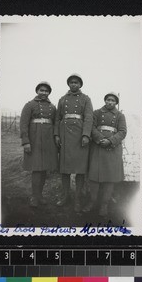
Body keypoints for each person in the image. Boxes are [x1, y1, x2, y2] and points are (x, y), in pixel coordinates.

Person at [54, 74, 93, 212]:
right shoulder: (62, 99)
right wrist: (57, 135)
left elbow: (89, 118)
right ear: (68, 84)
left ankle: (77, 199)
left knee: (80, 170)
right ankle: (65, 196)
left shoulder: (86, 99)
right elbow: (57, 119)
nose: (73, 84)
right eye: (71, 82)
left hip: (79, 137)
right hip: (64, 136)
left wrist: (86, 135)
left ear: (80, 84)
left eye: (76, 82)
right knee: (64, 169)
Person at [86, 92, 127, 217]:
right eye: (108, 100)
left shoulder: (120, 115)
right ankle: (92, 202)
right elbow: (91, 127)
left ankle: (104, 205)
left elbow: (122, 131)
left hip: (112, 149)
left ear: (116, 103)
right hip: (98, 147)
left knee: (109, 179)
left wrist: (110, 141)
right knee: (94, 177)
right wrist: (100, 139)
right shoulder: (97, 113)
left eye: (113, 101)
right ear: (105, 101)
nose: (110, 102)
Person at [20, 82, 58, 207]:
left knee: (44, 170)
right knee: (36, 169)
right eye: (41, 90)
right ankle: (34, 197)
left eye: (46, 91)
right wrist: (26, 142)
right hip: (34, 140)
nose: (44, 93)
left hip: (48, 142)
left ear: (49, 93)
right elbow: (23, 124)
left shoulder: (53, 107)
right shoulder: (29, 105)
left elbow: (55, 124)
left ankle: (40, 195)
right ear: (37, 91)